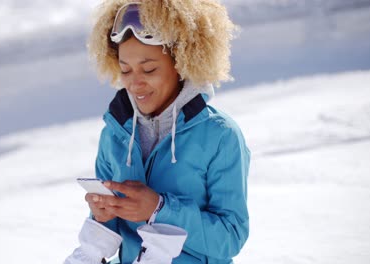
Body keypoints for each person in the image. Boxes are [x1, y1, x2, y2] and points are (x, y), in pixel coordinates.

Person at [66, 0, 250, 263]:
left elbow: (230, 237)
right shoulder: (115, 133)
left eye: (149, 69)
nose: (134, 83)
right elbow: (115, 231)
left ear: (181, 61)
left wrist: (159, 210)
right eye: (125, 69)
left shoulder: (220, 136)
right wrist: (103, 216)